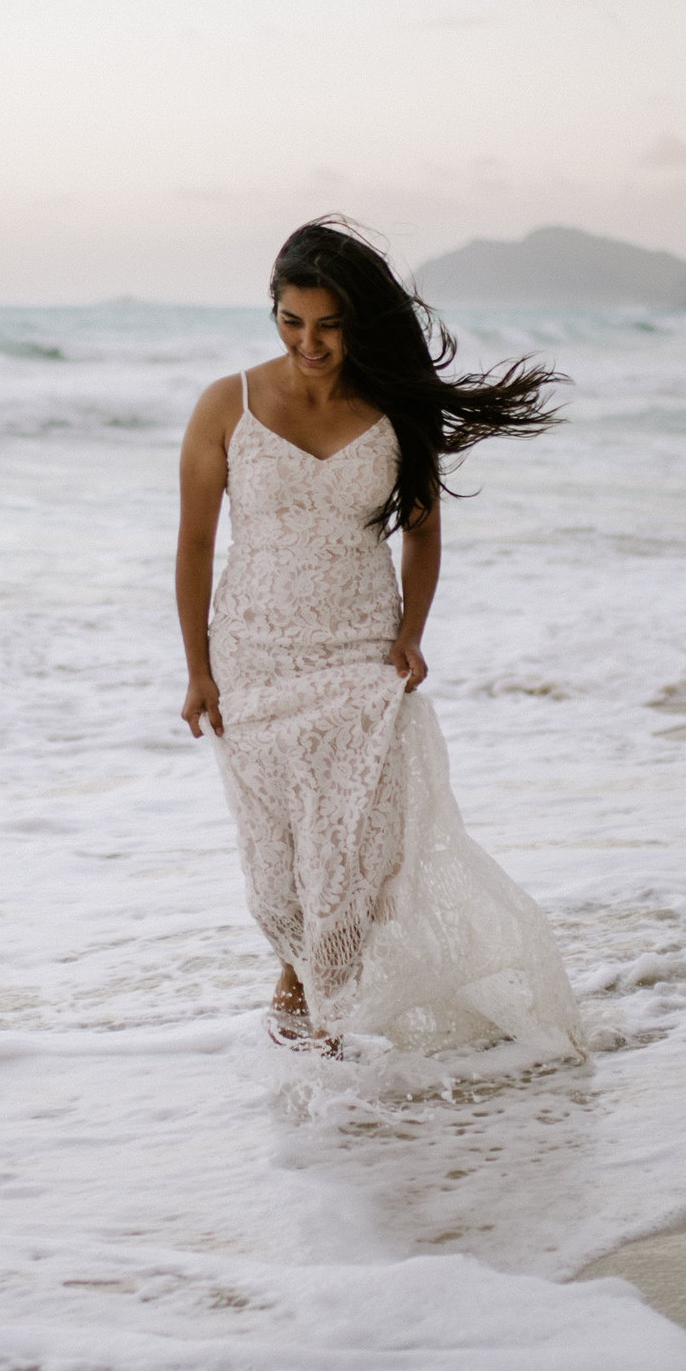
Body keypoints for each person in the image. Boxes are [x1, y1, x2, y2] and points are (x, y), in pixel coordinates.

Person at [176, 218, 587, 1057]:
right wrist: (197, 671)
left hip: (358, 654)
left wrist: (411, 631)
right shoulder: (229, 405)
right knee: (276, 884)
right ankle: (305, 988)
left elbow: (424, 534)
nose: (310, 342)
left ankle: (321, 1042)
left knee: (351, 863)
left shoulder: (396, 409)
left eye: (328, 324)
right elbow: (193, 543)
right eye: (292, 322)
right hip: (252, 658)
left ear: (358, 320)